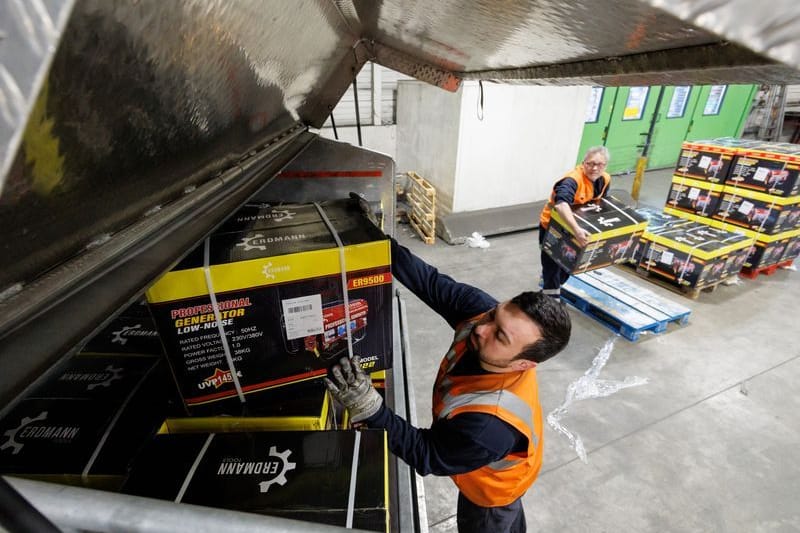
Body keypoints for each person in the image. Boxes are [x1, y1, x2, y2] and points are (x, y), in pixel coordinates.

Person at [324, 237, 572, 533]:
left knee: (487, 521)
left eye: (500, 336)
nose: (481, 328)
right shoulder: (483, 315)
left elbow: (429, 455)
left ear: (524, 364)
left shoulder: (488, 426)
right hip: (482, 458)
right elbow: (430, 282)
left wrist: (371, 409)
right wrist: (375, 241)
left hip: (490, 494)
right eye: (495, 315)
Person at [538, 146, 611, 299]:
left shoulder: (605, 179)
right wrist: (577, 229)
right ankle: (551, 303)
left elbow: (600, 204)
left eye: (600, 164)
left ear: (605, 165)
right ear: (583, 163)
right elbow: (561, 205)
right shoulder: (572, 181)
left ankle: (548, 290)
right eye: (590, 163)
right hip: (553, 228)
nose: (594, 168)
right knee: (552, 266)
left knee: (568, 264)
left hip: (575, 230)